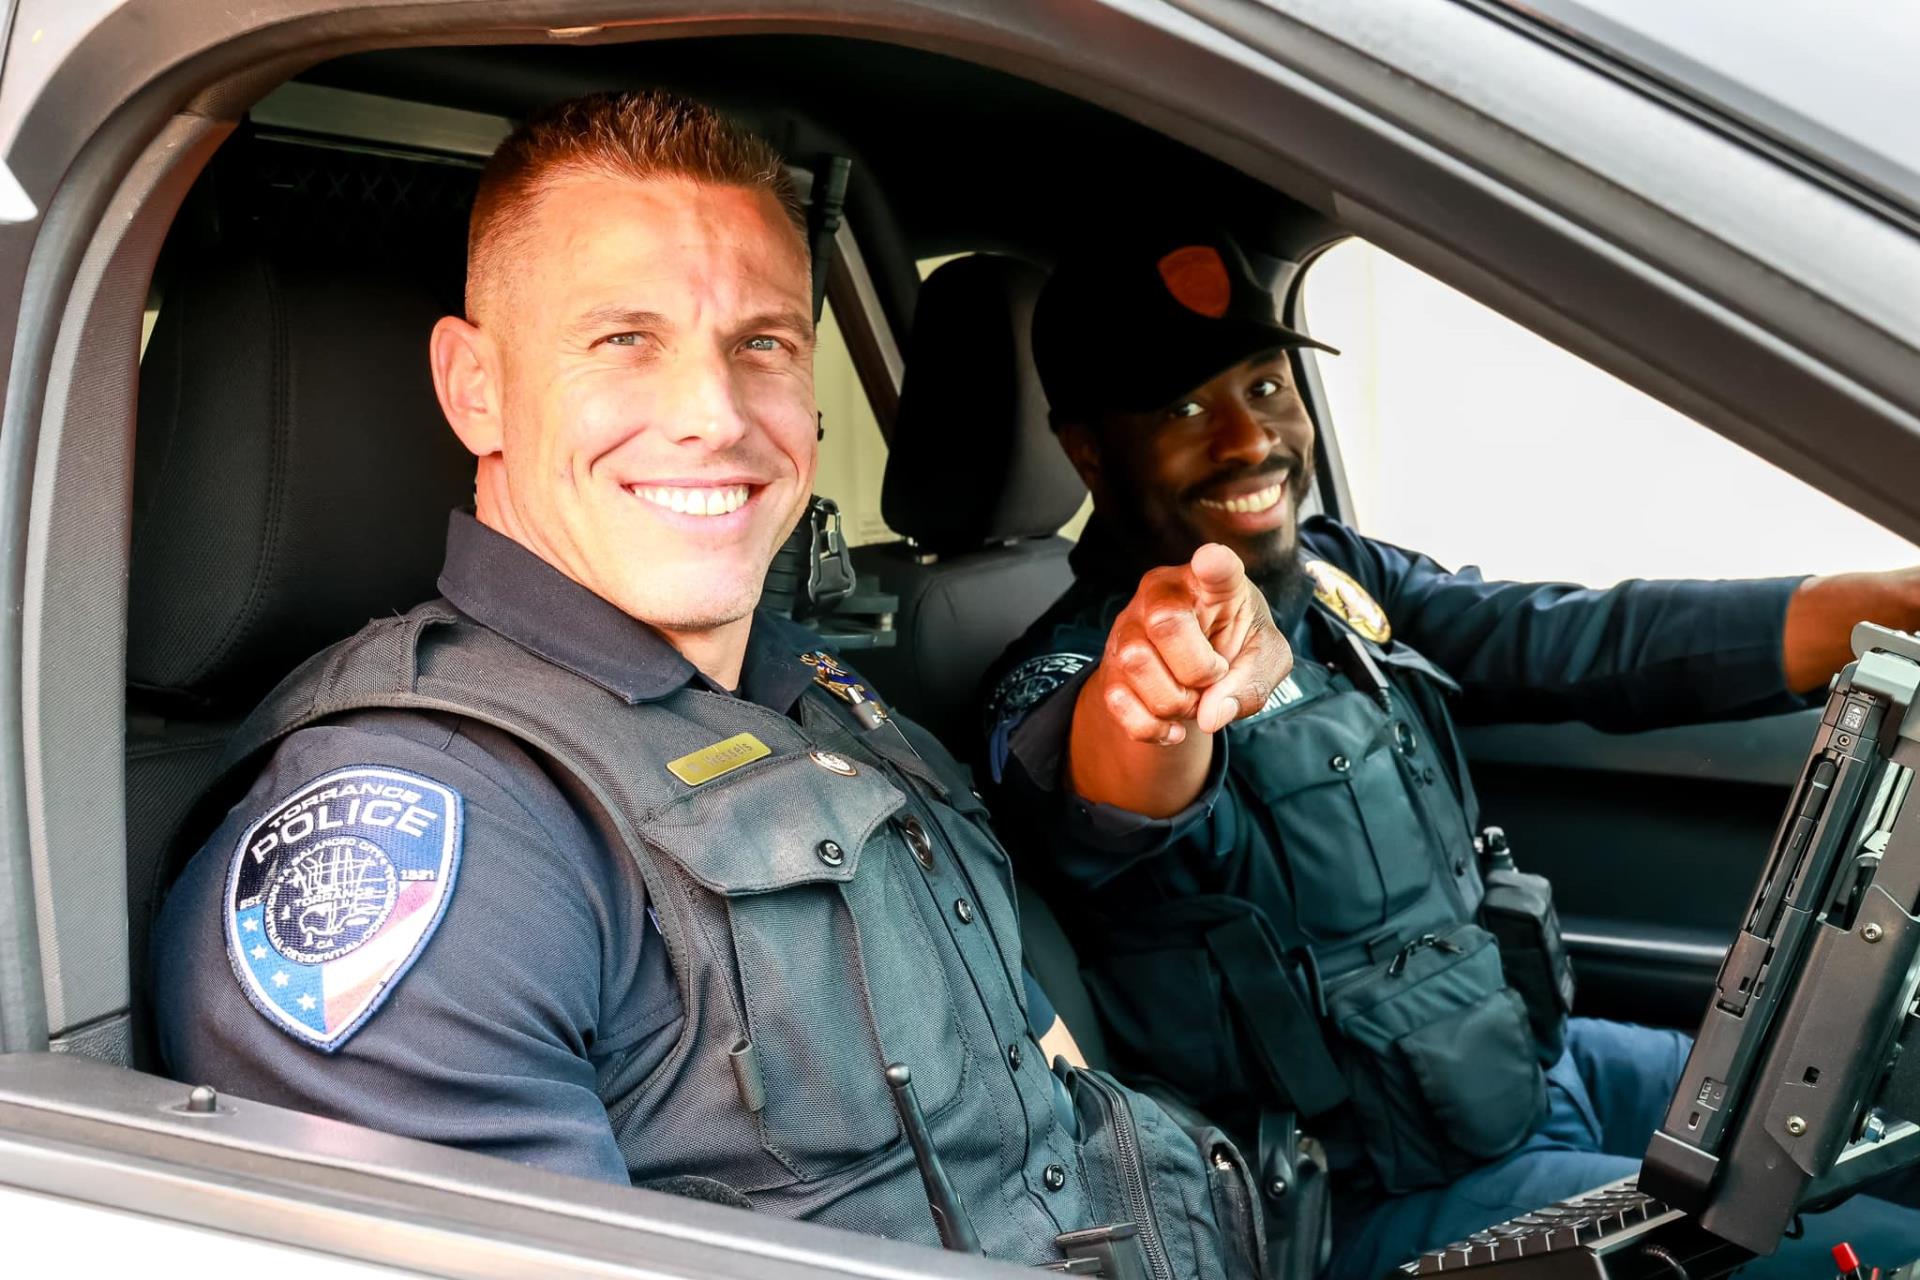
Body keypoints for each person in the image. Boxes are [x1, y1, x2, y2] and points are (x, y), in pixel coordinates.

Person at [150, 94, 1269, 1278]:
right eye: (625, 338)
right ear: (474, 385)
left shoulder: (821, 692)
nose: (715, 415)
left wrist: (1154, 706)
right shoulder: (430, 822)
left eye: (762, 343)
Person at [984, 227, 1920, 1277]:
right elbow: (1107, 767)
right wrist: (1157, 693)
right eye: (1182, 409)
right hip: (1367, 1196)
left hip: (1525, 1067)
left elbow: (1575, 640)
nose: (1251, 440)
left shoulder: (1338, 579)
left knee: (1884, 1098)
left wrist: (1886, 607)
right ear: (1088, 450)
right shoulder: (1067, 667)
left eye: (1266, 385)